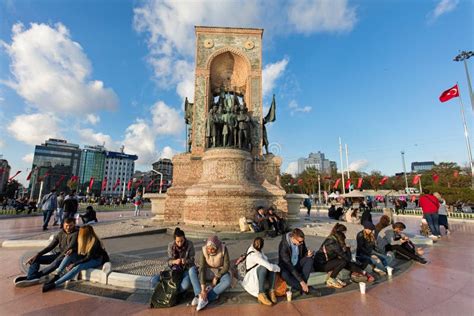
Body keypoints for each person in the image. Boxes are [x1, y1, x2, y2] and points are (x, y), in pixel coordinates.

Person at [42, 225, 110, 292]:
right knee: (69, 255)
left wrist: (74, 264)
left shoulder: (94, 242)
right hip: (86, 257)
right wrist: (73, 250)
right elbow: (78, 250)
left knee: (78, 267)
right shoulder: (82, 239)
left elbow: (88, 258)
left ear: (85, 234)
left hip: (96, 260)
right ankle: (57, 275)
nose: (78, 233)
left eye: (80, 232)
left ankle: (55, 284)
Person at [14, 218, 78, 287]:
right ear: (63, 225)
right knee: (36, 259)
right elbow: (50, 247)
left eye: (70, 225)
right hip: (59, 255)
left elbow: (69, 248)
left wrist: (56, 260)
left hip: (68, 257)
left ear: (74, 224)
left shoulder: (76, 233)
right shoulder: (61, 233)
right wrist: (37, 254)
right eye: (66, 226)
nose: (68, 228)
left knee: (54, 264)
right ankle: (32, 276)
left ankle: (34, 277)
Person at [314, 223, 373, 289]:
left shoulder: (333, 239)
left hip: (325, 261)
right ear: (340, 233)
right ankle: (331, 279)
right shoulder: (333, 243)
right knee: (343, 262)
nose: (345, 235)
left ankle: (362, 272)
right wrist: (347, 248)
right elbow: (347, 258)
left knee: (343, 261)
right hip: (321, 265)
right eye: (344, 233)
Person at [165, 228, 201, 306]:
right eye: (178, 241)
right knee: (155, 280)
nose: (180, 243)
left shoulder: (190, 244)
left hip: (186, 269)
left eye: (182, 240)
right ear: (175, 240)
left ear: (184, 238)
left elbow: (192, 259)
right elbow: (168, 261)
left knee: (185, 285)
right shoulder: (171, 246)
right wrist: (175, 261)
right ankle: (177, 294)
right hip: (175, 271)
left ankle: (198, 296)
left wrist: (186, 261)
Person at [241, 237, 281, 306]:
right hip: (251, 276)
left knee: (271, 267)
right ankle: (261, 293)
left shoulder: (254, 248)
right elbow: (270, 267)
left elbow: (265, 259)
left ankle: (271, 291)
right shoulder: (254, 255)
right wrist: (279, 268)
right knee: (266, 267)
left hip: (257, 270)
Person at [196, 236, 231, 311]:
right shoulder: (204, 250)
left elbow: (226, 266)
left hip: (220, 271)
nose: (210, 251)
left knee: (227, 281)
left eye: (212, 249)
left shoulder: (223, 249)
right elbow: (202, 268)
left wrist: (217, 276)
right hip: (208, 271)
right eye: (208, 249)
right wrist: (202, 290)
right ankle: (201, 295)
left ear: (217, 247)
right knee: (195, 273)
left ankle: (205, 298)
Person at [278, 228, 314, 294]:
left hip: (297, 264)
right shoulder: (283, 245)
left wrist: (308, 254)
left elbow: (304, 252)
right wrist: (301, 281)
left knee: (310, 260)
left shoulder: (301, 242)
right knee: (285, 275)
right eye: (300, 242)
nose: (302, 243)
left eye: (302, 241)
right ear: (293, 238)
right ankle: (307, 289)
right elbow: (289, 265)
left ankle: (299, 286)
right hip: (287, 267)